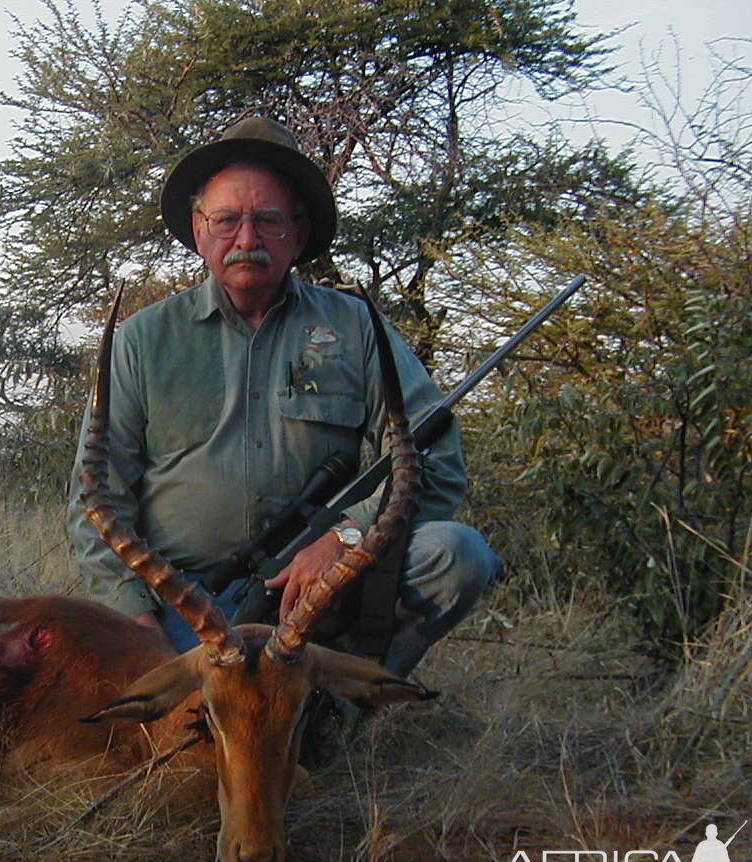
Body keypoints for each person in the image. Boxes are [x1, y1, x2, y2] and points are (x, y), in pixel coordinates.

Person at [67, 116, 500, 678]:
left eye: (268, 220)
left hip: (320, 588)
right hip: (185, 601)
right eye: (227, 220)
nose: (247, 239)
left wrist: (345, 538)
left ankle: (345, 710)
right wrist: (139, 628)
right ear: (199, 230)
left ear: (297, 232)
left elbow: (436, 461)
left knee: (456, 554)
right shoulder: (142, 340)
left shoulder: (356, 326)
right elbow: (95, 502)